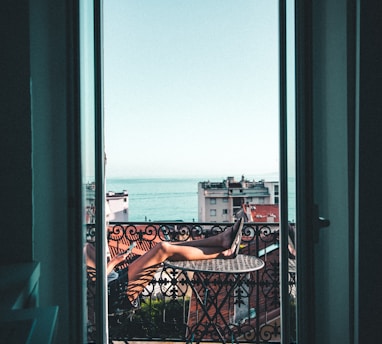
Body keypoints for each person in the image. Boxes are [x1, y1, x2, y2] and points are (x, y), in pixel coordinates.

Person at [86, 218, 244, 312]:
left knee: (168, 249)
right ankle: (223, 251)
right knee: (163, 249)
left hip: (116, 279)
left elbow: (96, 273)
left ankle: (221, 240)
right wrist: (114, 262)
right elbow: (95, 282)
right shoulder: (77, 250)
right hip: (113, 292)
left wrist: (114, 263)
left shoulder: (81, 246)